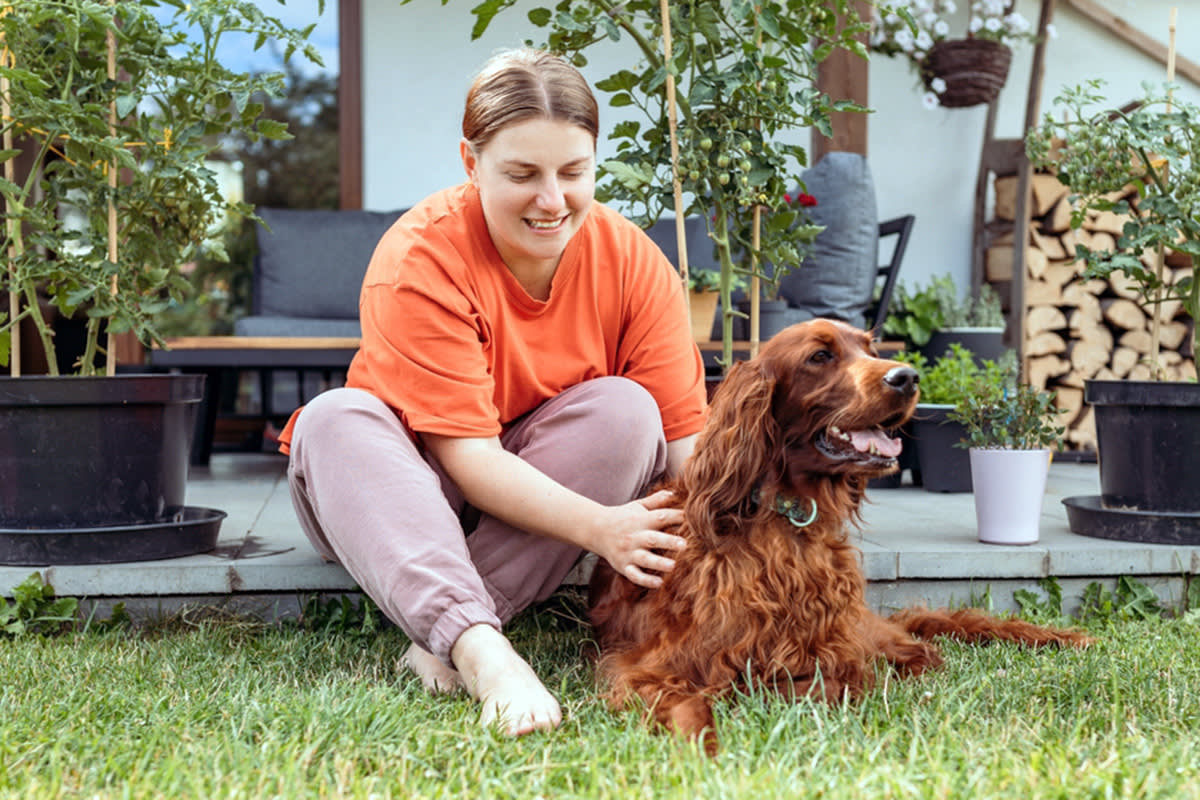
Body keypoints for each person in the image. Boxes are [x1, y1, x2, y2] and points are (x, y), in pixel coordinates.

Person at [278, 47, 707, 736]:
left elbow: (690, 451)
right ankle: (484, 655)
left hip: (534, 506)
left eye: (573, 172)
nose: (551, 200)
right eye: (521, 174)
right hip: (402, 495)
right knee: (335, 418)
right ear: (470, 162)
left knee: (629, 411)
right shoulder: (421, 256)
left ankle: (438, 632)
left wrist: (768, 537)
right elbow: (468, 460)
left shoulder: (633, 262)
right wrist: (603, 528)